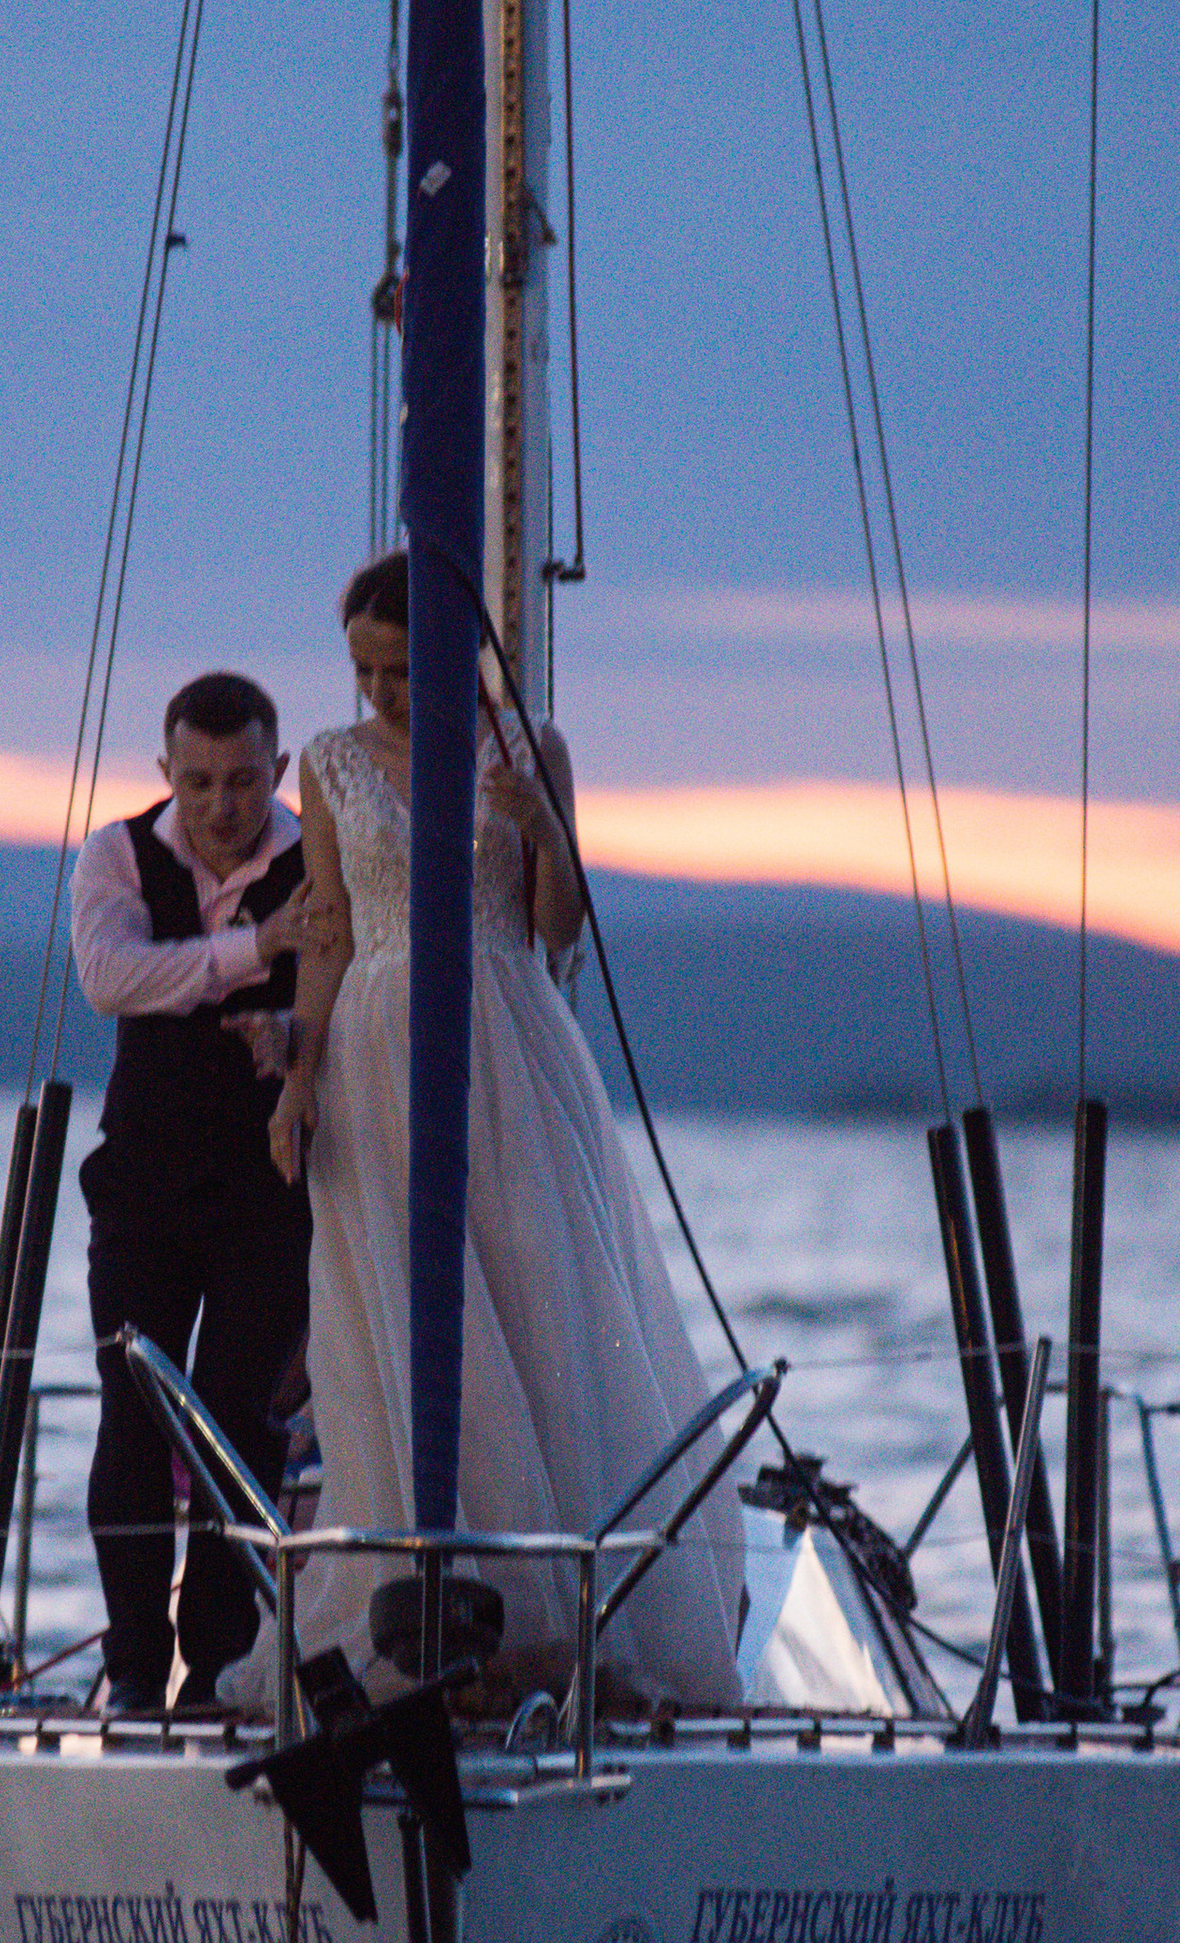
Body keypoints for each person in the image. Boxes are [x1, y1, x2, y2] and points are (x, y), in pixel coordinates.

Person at [250, 551, 744, 1711]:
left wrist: (539, 829)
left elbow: (554, 927)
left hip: (504, 1034)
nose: (381, 691)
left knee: (534, 1303)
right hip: (376, 1045)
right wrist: (300, 1072)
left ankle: (558, 1613)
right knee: (399, 1320)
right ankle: (426, 1595)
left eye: (402, 668)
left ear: (455, 654)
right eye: (365, 669)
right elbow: (326, 927)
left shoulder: (529, 748)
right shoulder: (327, 764)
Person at [71, 671, 314, 1712]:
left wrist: (290, 1028)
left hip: (270, 1193)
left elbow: (340, 991)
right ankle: (132, 1664)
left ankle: (211, 1666)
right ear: (167, 771)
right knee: (134, 1416)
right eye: (202, 781)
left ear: (280, 771)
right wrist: (255, 950)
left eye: (245, 781)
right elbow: (111, 979)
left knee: (238, 1425)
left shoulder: (317, 857)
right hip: (143, 1187)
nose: (223, 805)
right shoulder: (117, 854)